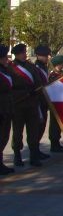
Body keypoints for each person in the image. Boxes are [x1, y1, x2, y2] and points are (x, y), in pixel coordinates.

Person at [9, 44, 46, 167]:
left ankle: (34, 155)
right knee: (18, 131)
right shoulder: (11, 68)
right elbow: (10, 87)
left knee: (33, 131)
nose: (25, 54)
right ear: (17, 54)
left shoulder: (31, 67)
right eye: (22, 53)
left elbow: (38, 82)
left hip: (32, 104)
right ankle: (17, 155)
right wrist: (23, 93)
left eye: (25, 52)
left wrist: (36, 90)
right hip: (18, 105)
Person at [48, 55, 63, 153]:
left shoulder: (60, 73)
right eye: (62, 63)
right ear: (58, 65)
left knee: (59, 125)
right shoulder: (53, 75)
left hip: (61, 102)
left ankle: (57, 143)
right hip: (55, 103)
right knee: (54, 124)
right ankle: (54, 144)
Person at [0, 45, 15, 174]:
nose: (6, 59)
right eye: (4, 57)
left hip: (6, 107)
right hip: (1, 108)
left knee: (4, 136)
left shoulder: (6, 70)